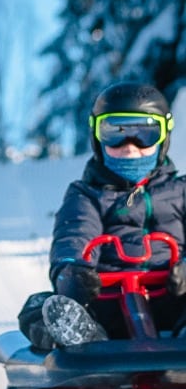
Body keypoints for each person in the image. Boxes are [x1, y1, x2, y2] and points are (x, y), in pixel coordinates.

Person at [20, 80, 186, 348]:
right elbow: (75, 235)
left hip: (173, 299)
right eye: (115, 133)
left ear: (164, 137)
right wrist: (72, 272)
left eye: (145, 134)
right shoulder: (86, 195)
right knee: (40, 307)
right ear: (97, 138)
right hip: (106, 303)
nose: (130, 146)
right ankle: (87, 340)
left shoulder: (180, 191)